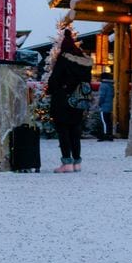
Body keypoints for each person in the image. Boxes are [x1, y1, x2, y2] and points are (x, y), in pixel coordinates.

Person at [46, 32, 93, 172]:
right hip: (79, 101)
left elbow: (54, 80)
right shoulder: (85, 63)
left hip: (63, 100)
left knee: (63, 130)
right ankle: (77, 162)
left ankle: (67, 163)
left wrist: (52, 89)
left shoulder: (63, 59)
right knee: (75, 130)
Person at [97, 71, 115, 141]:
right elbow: (113, 95)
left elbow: (101, 96)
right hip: (109, 105)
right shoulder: (111, 85)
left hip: (104, 106)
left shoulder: (103, 85)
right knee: (108, 121)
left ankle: (105, 135)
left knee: (104, 121)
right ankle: (109, 134)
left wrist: (99, 103)